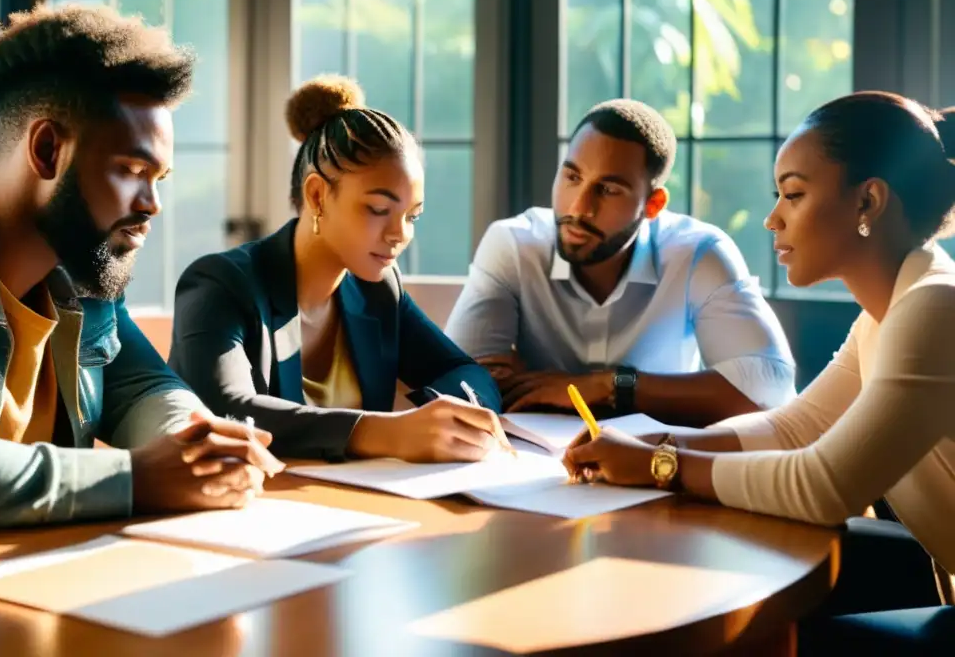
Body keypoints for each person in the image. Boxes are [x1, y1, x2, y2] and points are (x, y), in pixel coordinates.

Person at [563, 92, 955, 654]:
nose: (773, 217)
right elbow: (794, 428)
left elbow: (822, 486)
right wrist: (662, 438)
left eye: (794, 194)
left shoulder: (932, 308)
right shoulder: (888, 314)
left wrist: (658, 463)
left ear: (868, 201)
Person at [0, 4, 282, 534]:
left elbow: (143, 386)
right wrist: (138, 477)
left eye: (159, 177)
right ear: (48, 150)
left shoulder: (83, 274)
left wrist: (199, 443)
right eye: (133, 171)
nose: (152, 203)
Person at [169, 75, 511, 463]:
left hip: (354, 503)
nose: (399, 234)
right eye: (379, 210)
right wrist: (385, 432)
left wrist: (440, 414)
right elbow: (225, 411)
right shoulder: (220, 284)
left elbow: (465, 371)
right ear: (317, 195)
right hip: (241, 509)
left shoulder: (379, 289)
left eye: (412, 216)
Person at [445, 99, 795, 426]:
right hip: (531, 466)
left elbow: (770, 390)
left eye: (608, 190)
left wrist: (610, 386)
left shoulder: (697, 253)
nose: (578, 208)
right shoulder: (514, 244)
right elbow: (462, 385)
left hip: (658, 465)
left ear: (653, 205)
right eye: (572, 177)